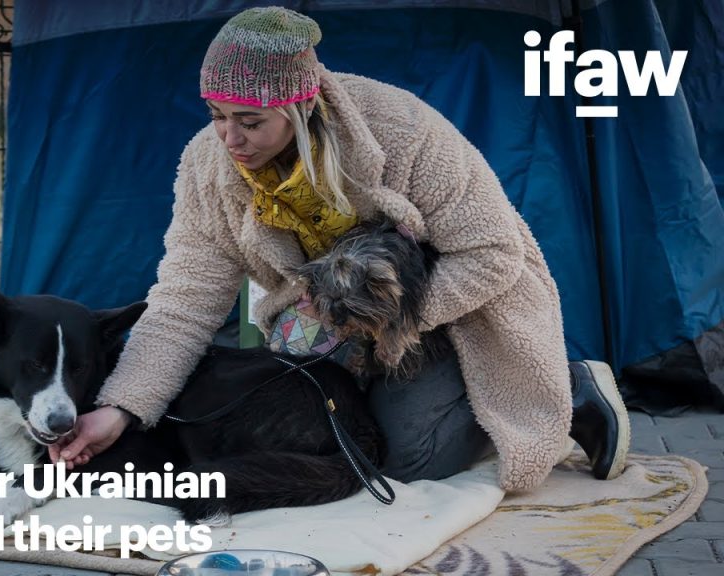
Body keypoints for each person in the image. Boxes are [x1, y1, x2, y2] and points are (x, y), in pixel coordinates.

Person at [50, 6, 629, 492]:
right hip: (312, 310)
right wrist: (123, 407)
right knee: (322, 436)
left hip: (442, 310)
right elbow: (184, 300)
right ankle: (364, 378)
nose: (230, 139)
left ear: (299, 107)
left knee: (409, 463)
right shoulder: (209, 165)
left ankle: (565, 389)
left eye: (249, 121)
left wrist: (366, 320)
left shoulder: (403, 130)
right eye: (217, 116)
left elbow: (492, 255)